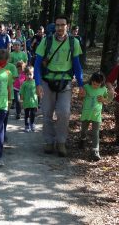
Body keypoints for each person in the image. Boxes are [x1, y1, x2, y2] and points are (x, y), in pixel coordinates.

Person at [34, 14, 85, 157]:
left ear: (67, 26)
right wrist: (37, 84)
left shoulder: (73, 42)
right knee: (47, 113)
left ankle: (61, 142)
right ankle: (49, 141)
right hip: (47, 81)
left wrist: (81, 85)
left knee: (64, 112)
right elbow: (37, 64)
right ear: (54, 26)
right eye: (57, 25)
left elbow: (77, 65)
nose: (60, 28)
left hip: (65, 82)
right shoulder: (46, 41)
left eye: (63, 25)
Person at [79, 72, 109, 161]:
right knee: (84, 129)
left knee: (95, 132)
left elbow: (107, 99)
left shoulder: (103, 89)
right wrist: (81, 95)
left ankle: (95, 151)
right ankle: (82, 139)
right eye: (94, 83)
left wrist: (104, 99)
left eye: (97, 84)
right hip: (86, 113)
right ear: (91, 81)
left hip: (96, 114)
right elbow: (80, 97)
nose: (95, 86)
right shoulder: (86, 87)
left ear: (101, 83)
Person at [20, 66, 38, 132]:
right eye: (27, 74)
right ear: (25, 75)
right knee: (27, 115)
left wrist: (37, 103)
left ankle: (32, 124)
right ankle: (27, 125)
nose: (29, 76)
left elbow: (37, 93)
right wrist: (21, 102)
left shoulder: (35, 83)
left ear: (33, 74)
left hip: (33, 102)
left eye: (30, 74)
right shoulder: (24, 84)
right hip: (26, 102)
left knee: (33, 114)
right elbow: (22, 93)